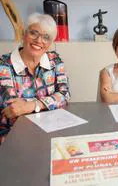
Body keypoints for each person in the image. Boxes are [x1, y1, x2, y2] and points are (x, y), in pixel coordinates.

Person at [0, 13, 70, 143]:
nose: (39, 40)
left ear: (50, 43)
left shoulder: (55, 60)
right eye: (34, 33)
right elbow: (12, 109)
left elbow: (65, 95)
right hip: (12, 138)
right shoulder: (3, 66)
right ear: (24, 34)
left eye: (46, 37)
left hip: (50, 132)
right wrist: (50, 102)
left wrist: (32, 105)